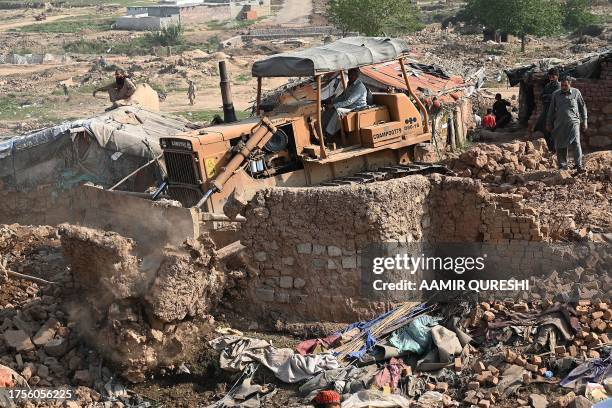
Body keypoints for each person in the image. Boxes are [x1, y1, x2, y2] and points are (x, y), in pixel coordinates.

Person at [546, 76, 587, 172]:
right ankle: (563, 166)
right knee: (560, 145)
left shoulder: (576, 92)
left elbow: (582, 107)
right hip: (560, 124)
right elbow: (551, 110)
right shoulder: (555, 94)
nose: (564, 87)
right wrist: (549, 123)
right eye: (562, 85)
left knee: (576, 143)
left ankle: (579, 165)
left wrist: (584, 121)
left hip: (574, 123)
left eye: (566, 85)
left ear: (570, 84)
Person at [323, 68, 367, 136]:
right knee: (329, 109)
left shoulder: (359, 87)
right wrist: (331, 101)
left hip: (357, 107)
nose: (350, 76)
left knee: (338, 110)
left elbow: (349, 101)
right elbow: (343, 97)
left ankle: (329, 133)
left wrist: (334, 105)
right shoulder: (350, 84)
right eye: (349, 74)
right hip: (350, 105)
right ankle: (324, 128)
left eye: (352, 75)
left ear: (356, 76)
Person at [535, 68, 561, 152]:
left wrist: (547, 96)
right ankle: (550, 148)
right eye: (550, 76)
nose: (551, 78)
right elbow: (541, 96)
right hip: (546, 110)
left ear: (557, 76)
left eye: (553, 76)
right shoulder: (547, 86)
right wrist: (547, 97)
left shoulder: (559, 86)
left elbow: (555, 96)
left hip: (555, 111)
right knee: (541, 126)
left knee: (553, 130)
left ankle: (555, 150)